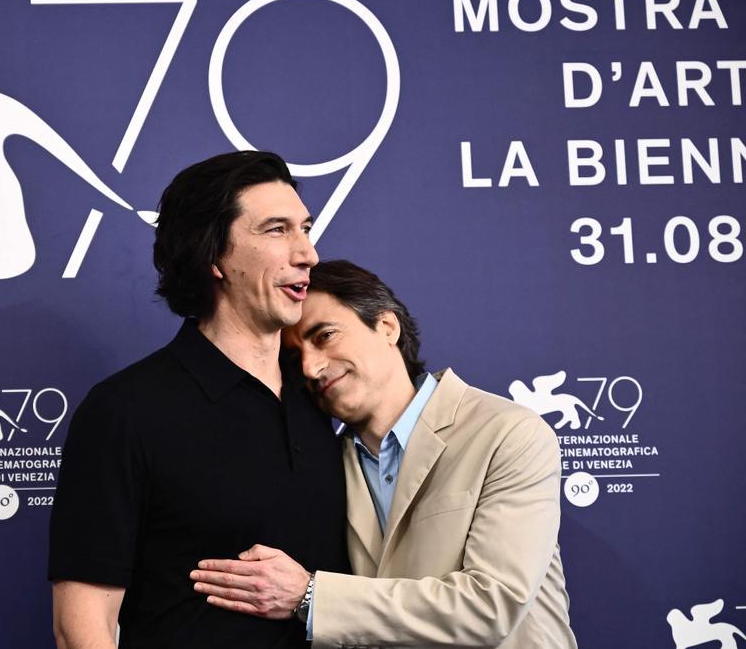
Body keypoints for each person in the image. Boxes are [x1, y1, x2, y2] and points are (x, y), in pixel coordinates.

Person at [190, 260, 577, 648]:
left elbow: (492, 604)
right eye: (294, 359)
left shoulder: (508, 433)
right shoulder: (322, 464)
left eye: (324, 336)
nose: (311, 367)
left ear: (387, 326)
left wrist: (309, 595)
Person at [48, 151, 349, 648]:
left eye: (306, 228)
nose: (307, 254)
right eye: (276, 230)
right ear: (214, 256)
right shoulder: (125, 411)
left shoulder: (325, 395)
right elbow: (82, 625)